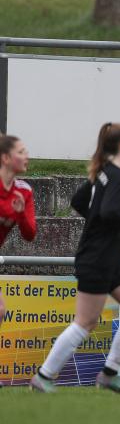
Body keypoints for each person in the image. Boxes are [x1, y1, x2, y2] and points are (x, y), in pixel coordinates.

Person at [30, 123, 120, 394]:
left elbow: (78, 201)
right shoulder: (117, 177)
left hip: (107, 258)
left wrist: (98, 225)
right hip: (97, 258)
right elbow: (109, 213)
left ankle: (109, 374)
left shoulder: (104, 173)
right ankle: (43, 376)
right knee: (85, 322)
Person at [0, 135, 37, 333]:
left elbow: (30, 235)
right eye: (21, 152)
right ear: (6, 158)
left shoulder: (24, 191)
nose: (27, 157)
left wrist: (21, 213)